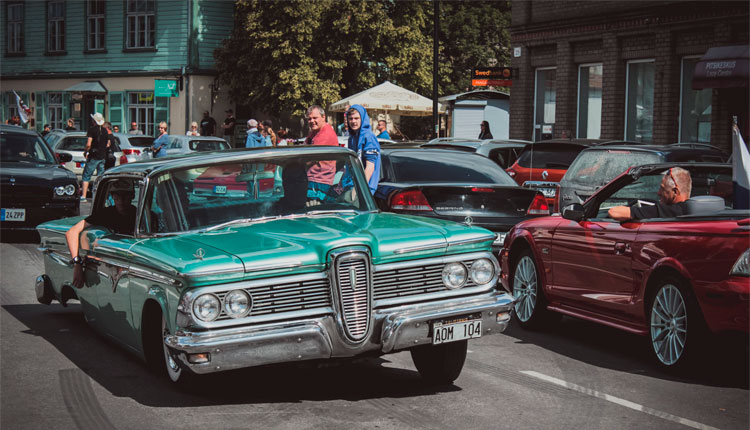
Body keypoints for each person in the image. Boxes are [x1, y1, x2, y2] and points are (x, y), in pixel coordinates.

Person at [65, 179, 137, 289]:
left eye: (125, 196)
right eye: (117, 196)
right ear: (112, 197)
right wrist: (77, 264)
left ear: (132, 196)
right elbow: (72, 232)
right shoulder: (106, 214)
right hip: (108, 266)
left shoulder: (140, 216)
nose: (121, 200)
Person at [608, 167, 692, 221]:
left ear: (675, 192)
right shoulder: (699, 210)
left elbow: (614, 212)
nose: (658, 193)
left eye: (662, 189)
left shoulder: (668, 211)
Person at [304, 105, 339, 202]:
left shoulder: (325, 134)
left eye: (315, 118)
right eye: (309, 119)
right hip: (314, 179)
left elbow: (308, 159)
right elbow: (304, 147)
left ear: (324, 117)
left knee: (313, 212)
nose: (312, 121)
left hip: (320, 181)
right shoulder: (315, 132)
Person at [346, 104, 381, 194]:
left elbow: (370, 167)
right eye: (350, 118)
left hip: (365, 189)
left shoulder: (368, 137)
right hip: (352, 185)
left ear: (362, 119)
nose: (353, 121)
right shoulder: (352, 138)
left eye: (356, 118)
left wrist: (359, 190)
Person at [80, 113, 111, 201]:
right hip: (102, 156)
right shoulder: (105, 130)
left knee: (86, 175)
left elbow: (88, 144)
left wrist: (85, 151)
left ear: (94, 121)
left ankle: (84, 196)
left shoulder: (92, 130)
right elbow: (108, 144)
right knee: (100, 176)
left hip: (94, 156)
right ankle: (99, 196)